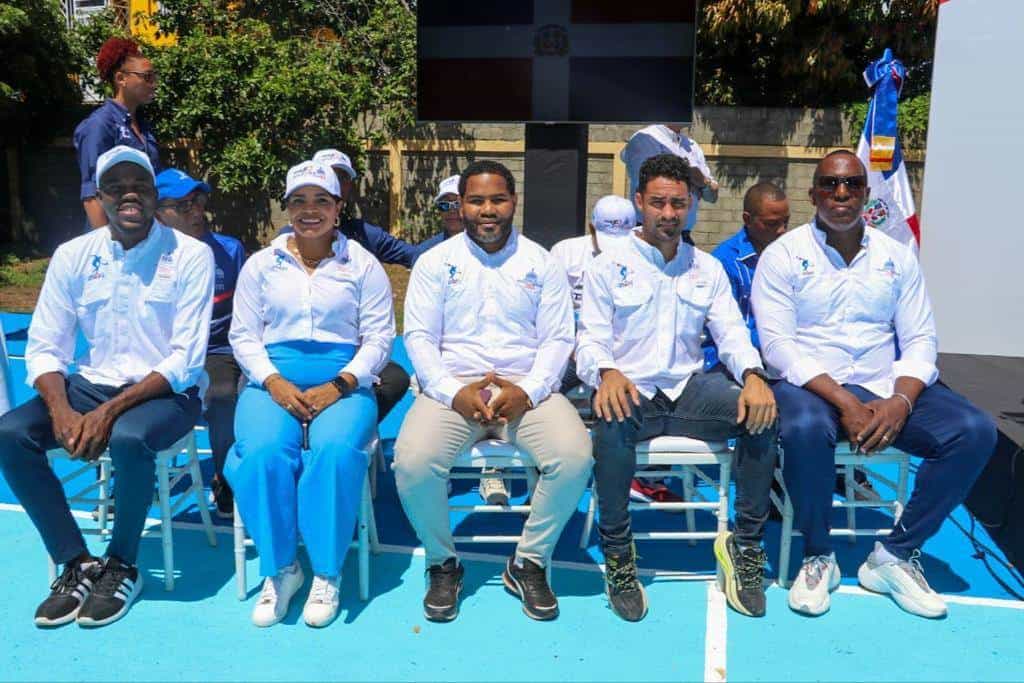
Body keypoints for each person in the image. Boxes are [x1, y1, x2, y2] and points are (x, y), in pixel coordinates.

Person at [751, 150, 997, 619]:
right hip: (813, 386)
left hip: (885, 384)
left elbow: (921, 337)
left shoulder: (895, 256)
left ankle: (895, 555)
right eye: (829, 185)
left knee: (974, 431)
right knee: (803, 428)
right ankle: (818, 555)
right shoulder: (784, 255)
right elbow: (779, 346)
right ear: (813, 194)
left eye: (851, 186)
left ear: (865, 193)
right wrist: (844, 401)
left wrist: (902, 400)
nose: (840, 195)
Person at [0, 146, 213, 628]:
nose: (129, 194)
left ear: (155, 194)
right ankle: (75, 562)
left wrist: (107, 413)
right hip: (89, 385)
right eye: (116, 187)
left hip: (165, 393)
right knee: (11, 433)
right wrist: (61, 410)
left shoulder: (190, 255)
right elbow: (44, 345)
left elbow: (185, 359)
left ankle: (122, 564)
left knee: (129, 437)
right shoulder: (74, 255)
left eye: (138, 184)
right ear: (101, 198)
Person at [577, 153, 778, 621]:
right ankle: (618, 553)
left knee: (764, 413)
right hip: (631, 390)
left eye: (679, 204)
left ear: (690, 207)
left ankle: (745, 546)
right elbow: (589, 338)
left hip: (690, 391)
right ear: (639, 203)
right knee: (609, 421)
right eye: (659, 204)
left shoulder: (705, 269)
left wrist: (752, 375)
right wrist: (605, 372)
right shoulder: (608, 266)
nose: (669, 214)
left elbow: (730, 331)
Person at [394, 160, 593, 623]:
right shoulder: (434, 263)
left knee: (574, 456)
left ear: (513, 202)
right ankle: (443, 563)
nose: (488, 210)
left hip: (524, 392)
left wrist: (528, 389)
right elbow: (419, 337)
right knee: (413, 462)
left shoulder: (541, 262)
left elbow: (559, 338)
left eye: (498, 199)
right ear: (461, 205)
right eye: (477, 200)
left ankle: (529, 562)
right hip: (455, 392)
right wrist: (449, 390)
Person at [225, 160, 394, 628]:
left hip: (343, 382)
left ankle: (326, 570)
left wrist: (339, 385)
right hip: (270, 379)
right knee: (261, 453)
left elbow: (380, 339)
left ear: (339, 208)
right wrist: (273, 383)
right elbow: (243, 337)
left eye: (321, 200)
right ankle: (283, 569)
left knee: (337, 451)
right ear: (287, 208)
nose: (310, 210)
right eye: (298, 200)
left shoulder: (363, 265)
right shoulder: (261, 265)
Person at [155, 168, 247, 518]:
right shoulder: (148, 255)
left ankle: (225, 479)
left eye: (199, 201)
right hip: (163, 352)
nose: (196, 211)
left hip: (216, 351)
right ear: (158, 211)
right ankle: (131, 476)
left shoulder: (230, 250)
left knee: (224, 399)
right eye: (183, 204)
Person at [74, 38, 160, 230]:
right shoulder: (100, 125)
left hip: (144, 233)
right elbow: (91, 196)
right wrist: (110, 247)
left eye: (155, 77)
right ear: (121, 79)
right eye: (147, 77)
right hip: (114, 240)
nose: (154, 84)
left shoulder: (143, 126)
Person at [622, 124, 719, 232]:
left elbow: (712, 197)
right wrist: (692, 177)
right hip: (652, 233)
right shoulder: (645, 139)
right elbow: (652, 185)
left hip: (684, 235)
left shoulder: (692, 146)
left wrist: (703, 182)